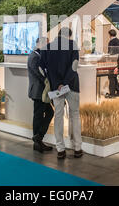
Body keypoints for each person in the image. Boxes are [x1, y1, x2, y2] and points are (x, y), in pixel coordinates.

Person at [40, 28, 82, 160]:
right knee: (74, 114)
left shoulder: (46, 48)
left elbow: (41, 69)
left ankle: (60, 149)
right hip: (72, 85)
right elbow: (74, 66)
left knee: (58, 116)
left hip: (55, 88)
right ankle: (77, 148)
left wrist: (55, 82)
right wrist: (65, 82)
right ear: (68, 36)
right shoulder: (72, 45)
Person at [27, 37, 53, 153]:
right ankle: (37, 140)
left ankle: (38, 139)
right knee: (38, 115)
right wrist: (48, 81)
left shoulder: (39, 55)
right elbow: (38, 74)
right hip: (38, 91)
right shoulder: (34, 56)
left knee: (47, 113)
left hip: (41, 91)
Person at [107, 29, 119, 98]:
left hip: (112, 61)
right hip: (118, 61)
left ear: (110, 35)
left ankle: (112, 93)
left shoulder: (111, 42)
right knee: (114, 77)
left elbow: (110, 52)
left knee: (111, 77)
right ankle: (118, 91)